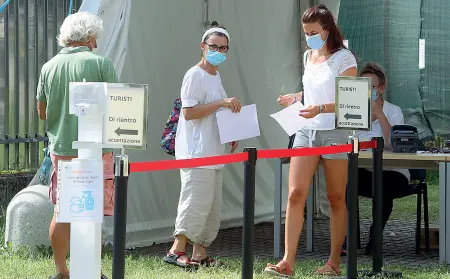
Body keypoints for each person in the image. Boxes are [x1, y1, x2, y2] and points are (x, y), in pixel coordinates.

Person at [264, 4, 357, 277]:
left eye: (313, 32)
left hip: (335, 132)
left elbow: (349, 98)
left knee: (336, 198)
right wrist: (297, 98)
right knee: (295, 195)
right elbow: (312, 91)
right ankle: (286, 262)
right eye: (306, 32)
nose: (309, 37)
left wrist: (320, 109)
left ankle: (334, 264)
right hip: (306, 130)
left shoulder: (344, 58)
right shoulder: (308, 56)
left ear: (327, 30)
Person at [36, 12, 118, 279]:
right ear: (90, 37)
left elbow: (42, 111)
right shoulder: (101, 63)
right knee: (91, 210)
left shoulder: (49, 66)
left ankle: (62, 270)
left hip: (61, 148)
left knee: (63, 211)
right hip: (96, 149)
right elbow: (115, 106)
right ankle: (91, 270)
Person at [163, 21, 241, 268]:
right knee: (194, 202)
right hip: (197, 152)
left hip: (213, 152)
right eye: (214, 46)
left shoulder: (215, 76)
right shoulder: (195, 74)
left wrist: (231, 131)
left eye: (223, 48)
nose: (218, 51)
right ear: (203, 46)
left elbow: (216, 111)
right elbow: (189, 112)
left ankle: (199, 253)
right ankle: (176, 251)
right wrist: (222, 104)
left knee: (210, 207)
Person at [340, 62, 410, 255]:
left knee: (384, 186)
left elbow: (393, 144)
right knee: (346, 184)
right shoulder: (353, 111)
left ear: (381, 88)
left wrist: (379, 114)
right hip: (365, 169)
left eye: (371, 86)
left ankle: (375, 234)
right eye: (362, 86)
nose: (367, 91)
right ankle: (350, 236)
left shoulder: (393, 111)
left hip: (392, 172)